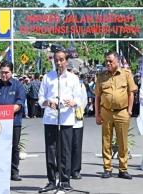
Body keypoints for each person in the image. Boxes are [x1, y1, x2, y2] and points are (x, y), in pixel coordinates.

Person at [38, 50, 82, 192]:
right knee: (51, 151)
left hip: (66, 118)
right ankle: (51, 180)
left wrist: (73, 102)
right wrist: (47, 103)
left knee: (65, 152)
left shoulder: (73, 78)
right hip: (51, 119)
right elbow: (40, 98)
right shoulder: (47, 77)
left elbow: (80, 99)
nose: (58, 63)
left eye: (61, 60)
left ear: (66, 61)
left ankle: (65, 180)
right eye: (56, 60)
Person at [94, 51, 137, 179]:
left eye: (110, 61)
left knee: (122, 141)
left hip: (122, 112)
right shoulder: (102, 76)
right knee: (106, 141)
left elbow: (131, 93)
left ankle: (123, 169)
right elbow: (97, 96)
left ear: (117, 61)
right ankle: (107, 168)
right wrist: (97, 114)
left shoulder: (126, 74)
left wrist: (129, 110)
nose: (108, 63)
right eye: (106, 61)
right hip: (106, 112)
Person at [0, 61, 26, 181]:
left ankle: (14, 172)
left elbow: (19, 103)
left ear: (11, 73)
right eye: (2, 72)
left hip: (14, 122)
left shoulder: (18, 86)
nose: (3, 75)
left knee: (14, 147)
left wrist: (5, 114)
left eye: (6, 73)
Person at [67, 63, 88, 180]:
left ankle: (75, 170)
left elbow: (83, 102)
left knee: (76, 146)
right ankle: (64, 169)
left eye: (71, 70)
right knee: (64, 147)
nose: (70, 72)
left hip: (76, 120)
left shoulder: (80, 85)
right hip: (64, 120)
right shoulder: (60, 84)